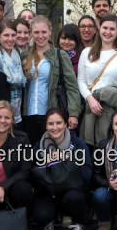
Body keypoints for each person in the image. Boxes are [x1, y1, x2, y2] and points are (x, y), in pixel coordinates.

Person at [31, 108, 92, 230]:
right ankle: (50, 219)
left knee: (74, 198)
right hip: (48, 192)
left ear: (66, 124)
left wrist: (67, 162)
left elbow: (87, 175)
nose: (55, 127)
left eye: (59, 123)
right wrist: (44, 162)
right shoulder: (39, 145)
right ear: (46, 126)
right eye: (50, 124)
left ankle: (78, 223)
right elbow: (31, 172)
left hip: (70, 191)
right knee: (40, 215)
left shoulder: (78, 144)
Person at [77, 14, 117, 147]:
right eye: (105, 28)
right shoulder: (87, 52)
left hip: (115, 109)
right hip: (92, 108)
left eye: (112, 29)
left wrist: (111, 92)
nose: (108, 32)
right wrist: (90, 99)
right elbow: (81, 80)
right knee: (92, 149)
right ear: (99, 28)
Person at [22, 15, 82, 144]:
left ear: (50, 31)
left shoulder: (60, 55)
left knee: (51, 152)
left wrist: (73, 114)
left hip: (52, 113)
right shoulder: (25, 55)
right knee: (32, 153)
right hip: (28, 113)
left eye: (44, 32)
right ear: (31, 33)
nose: (40, 36)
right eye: (36, 32)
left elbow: (71, 87)